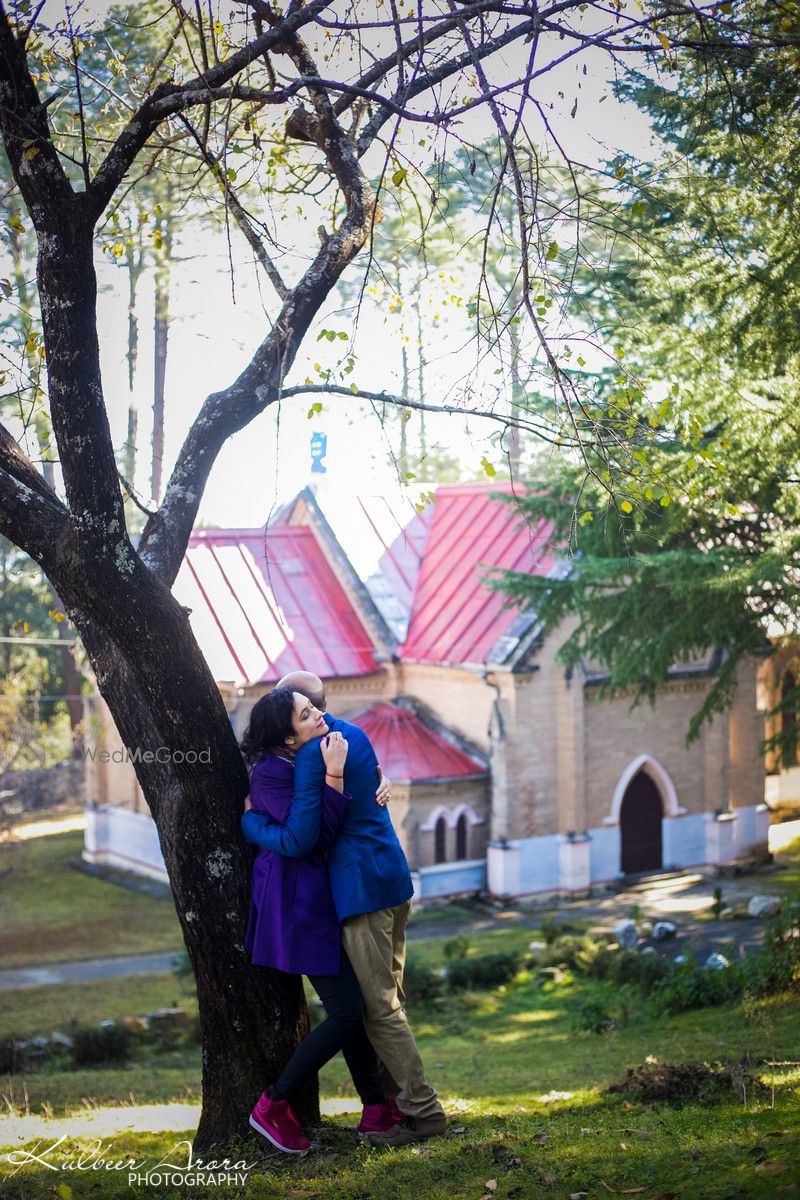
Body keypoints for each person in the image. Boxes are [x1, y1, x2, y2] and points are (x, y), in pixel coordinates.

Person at [241, 671, 447, 1146]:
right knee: (368, 1006)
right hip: (345, 894)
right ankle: (376, 1105)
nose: (319, 717)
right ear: (289, 729)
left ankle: (394, 1107)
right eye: (308, 713)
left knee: (370, 1007)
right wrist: (254, 823)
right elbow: (299, 837)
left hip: (349, 892)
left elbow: (309, 834)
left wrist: (254, 823)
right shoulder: (331, 744)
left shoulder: (321, 750)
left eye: (314, 709)